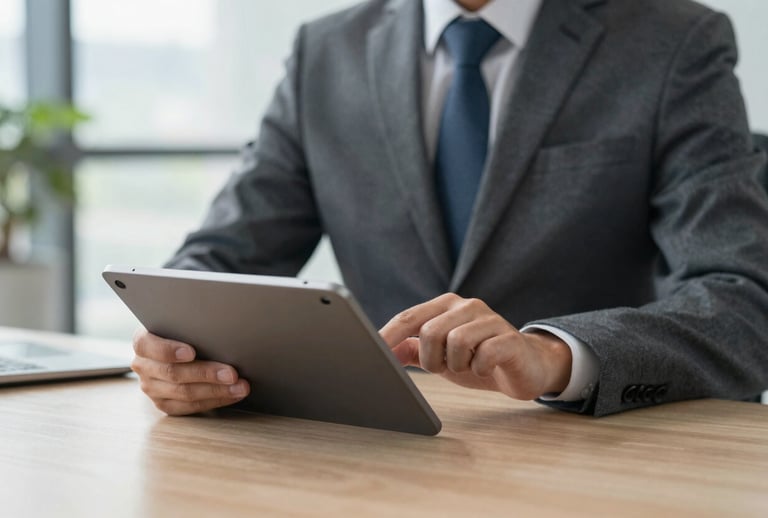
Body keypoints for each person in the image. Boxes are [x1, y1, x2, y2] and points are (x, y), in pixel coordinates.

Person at [131, 0, 768, 417]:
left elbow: (741, 303)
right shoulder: (325, 52)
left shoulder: (674, 41)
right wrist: (177, 349)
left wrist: (553, 355)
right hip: (376, 457)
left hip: (588, 458)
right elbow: (218, 261)